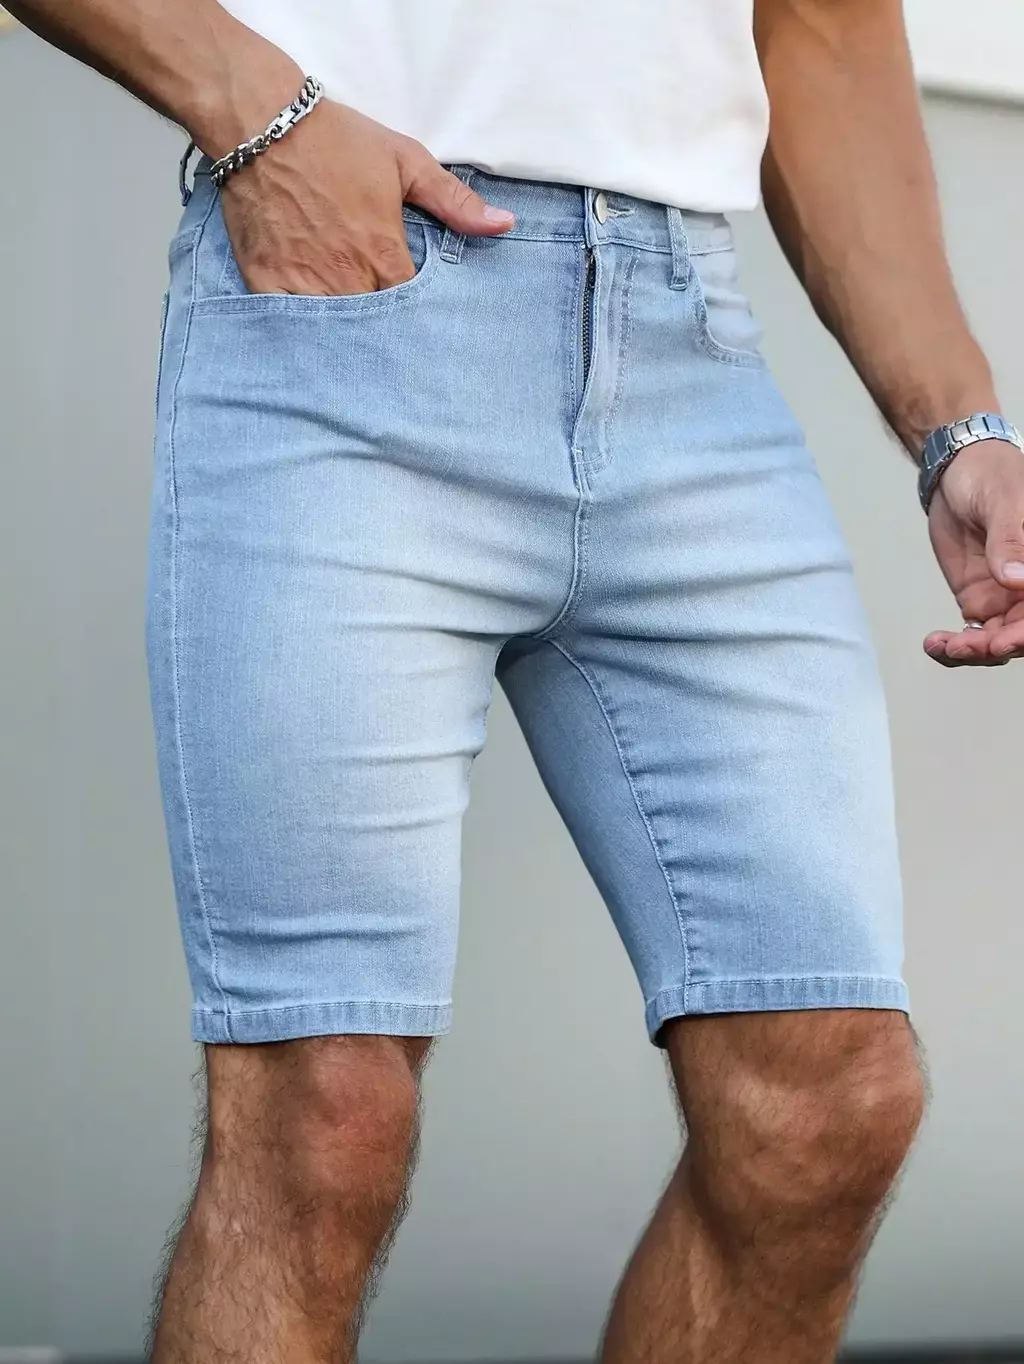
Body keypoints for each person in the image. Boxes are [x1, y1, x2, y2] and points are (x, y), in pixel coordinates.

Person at [10, 0, 1024, 1359]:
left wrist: (960, 427)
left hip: (686, 354)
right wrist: (257, 114)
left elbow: (826, 29)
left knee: (827, 1102)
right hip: (345, 318)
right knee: (322, 1115)